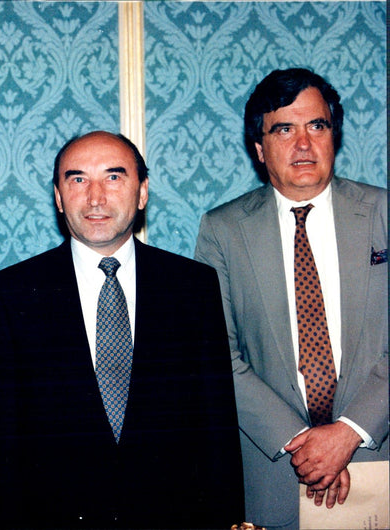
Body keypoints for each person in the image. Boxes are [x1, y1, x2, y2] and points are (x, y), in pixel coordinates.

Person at [0, 131, 244, 529]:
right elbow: (1, 449)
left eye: (114, 177)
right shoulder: (13, 293)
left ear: (142, 193)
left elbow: (217, 432)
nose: (96, 197)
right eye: (78, 179)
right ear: (57, 196)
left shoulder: (192, 286)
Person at [195, 68, 388, 530]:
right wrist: (304, 443)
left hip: (378, 457)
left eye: (316, 126)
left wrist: (348, 433)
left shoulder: (384, 213)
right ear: (259, 149)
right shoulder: (222, 229)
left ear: (334, 138)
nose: (303, 144)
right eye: (284, 129)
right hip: (276, 472)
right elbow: (218, 353)